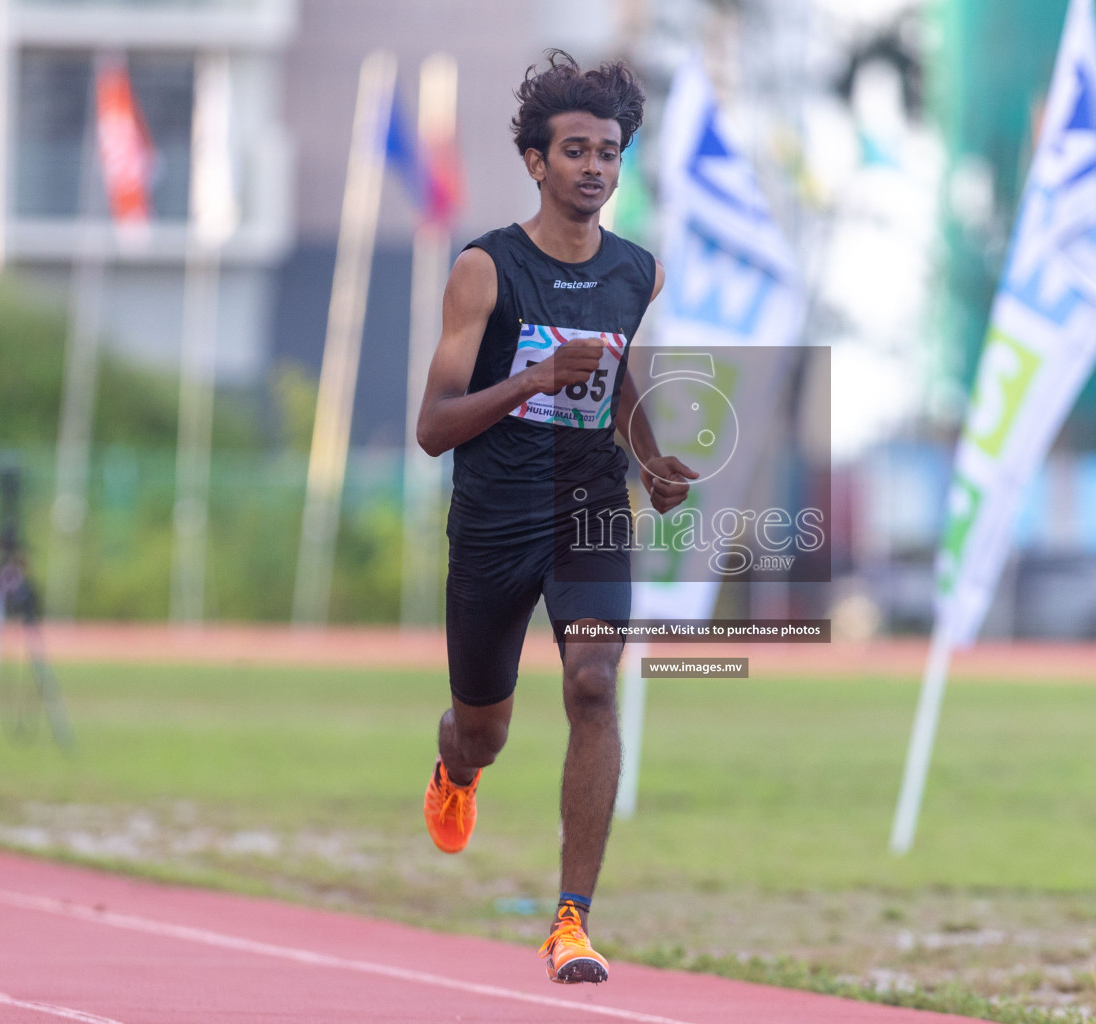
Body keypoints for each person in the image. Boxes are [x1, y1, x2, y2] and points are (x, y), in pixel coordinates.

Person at [414, 50, 696, 985]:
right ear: (536, 162)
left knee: (592, 687)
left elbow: (616, 379)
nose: (594, 169)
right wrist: (531, 378)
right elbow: (431, 428)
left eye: (609, 154)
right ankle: (457, 767)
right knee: (483, 728)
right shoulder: (484, 271)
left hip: (588, 514)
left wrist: (652, 463)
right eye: (575, 151)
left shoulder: (637, 273)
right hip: (494, 522)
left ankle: (571, 922)